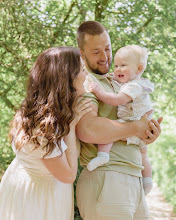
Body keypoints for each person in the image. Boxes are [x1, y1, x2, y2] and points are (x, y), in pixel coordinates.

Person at [75, 21, 162, 220]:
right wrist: (135, 127)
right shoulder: (87, 82)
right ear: (82, 54)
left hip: (132, 177)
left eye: (107, 48)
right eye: (96, 52)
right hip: (108, 178)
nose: (105, 57)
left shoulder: (121, 80)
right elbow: (88, 129)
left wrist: (147, 133)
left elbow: (132, 121)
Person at [0, 46, 92, 220]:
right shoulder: (45, 128)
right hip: (37, 198)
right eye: (82, 70)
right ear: (67, 79)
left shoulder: (35, 111)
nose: (87, 75)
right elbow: (68, 175)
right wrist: (71, 127)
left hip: (31, 187)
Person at [87, 45, 154, 196]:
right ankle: (148, 181)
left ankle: (103, 156)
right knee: (144, 155)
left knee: (109, 132)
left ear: (138, 68)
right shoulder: (133, 82)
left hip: (133, 122)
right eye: (116, 65)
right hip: (142, 126)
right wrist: (114, 78)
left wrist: (99, 92)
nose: (117, 69)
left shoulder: (135, 86)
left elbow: (117, 99)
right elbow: (119, 85)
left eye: (123, 65)